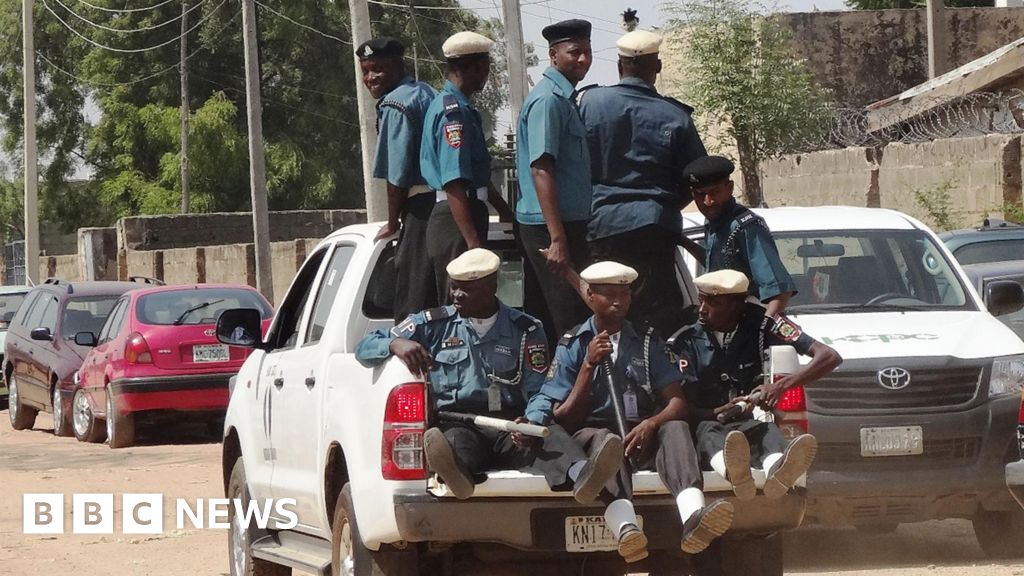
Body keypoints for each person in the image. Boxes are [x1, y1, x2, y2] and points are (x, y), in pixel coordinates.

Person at [356, 248, 622, 503]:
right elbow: (364, 347)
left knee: (549, 437)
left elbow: (541, 388)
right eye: (453, 286)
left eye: (466, 289)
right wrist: (395, 344)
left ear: (492, 286)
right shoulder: (432, 325)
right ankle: (455, 475)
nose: (456, 295)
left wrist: (532, 421)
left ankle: (583, 477)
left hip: (511, 424)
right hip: (460, 422)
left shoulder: (526, 329)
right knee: (455, 445)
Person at [525, 261, 734, 563]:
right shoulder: (572, 344)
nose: (618, 301)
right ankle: (626, 529)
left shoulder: (648, 341)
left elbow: (676, 402)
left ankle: (694, 518)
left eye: (624, 294)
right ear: (590, 297)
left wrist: (651, 423)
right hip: (594, 434)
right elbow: (565, 417)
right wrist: (588, 365)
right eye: (608, 295)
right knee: (605, 441)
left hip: (639, 431)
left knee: (675, 427)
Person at [577, 29, 707, 338]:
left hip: (603, 226)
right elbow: (698, 175)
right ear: (657, 68)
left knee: (605, 312)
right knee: (656, 318)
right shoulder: (676, 115)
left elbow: (571, 164)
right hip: (655, 228)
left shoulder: (590, 102)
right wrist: (661, 206)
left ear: (620, 66)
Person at [669, 269, 841, 500]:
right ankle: (735, 474)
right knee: (709, 434)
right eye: (701, 300)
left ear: (736, 305)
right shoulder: (686, 339)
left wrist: (780, 386)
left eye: (713, 302)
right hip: (706, 423)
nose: (702, 309)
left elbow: (829, 357)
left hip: (747, 421)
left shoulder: (763, 324)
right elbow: (679, 405)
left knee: (767, 431)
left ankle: (778, 473)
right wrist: (715, 412)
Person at [420, 31, 514, 303]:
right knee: (462, 305)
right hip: (456, 218)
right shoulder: (454, 114)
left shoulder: (459, 107)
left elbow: (478, 177)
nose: (486, 76)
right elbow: (454, 182)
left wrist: (506, 212)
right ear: (471, 67)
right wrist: (473, 243)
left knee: (474, 305)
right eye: (484, 69)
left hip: (465, 212)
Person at [515, 19, 594, 344]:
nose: (583, 59)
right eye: (574, 52)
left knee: (555, 321)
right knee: (570, 322)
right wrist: (558, 238)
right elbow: (541, 169)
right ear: (553, 55)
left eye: (587, 52)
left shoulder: (564, 98)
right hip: (552, 229)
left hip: (565, 226)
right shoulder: (548, 100)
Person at [357, 37, 440, 322]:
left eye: (378, 69)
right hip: (446, 204)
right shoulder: (427, 91)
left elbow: (398, 176)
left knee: (412, 303)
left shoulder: (395, 104)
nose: (371, 78)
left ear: (396, 66)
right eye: (366, 71)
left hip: (421, 208)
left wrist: (393, 223)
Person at [684, 155, 797, 317]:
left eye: (714, 192)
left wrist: (760, 329)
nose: (708, 201)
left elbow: (779, 292)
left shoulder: (745, 227)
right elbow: (720, 265)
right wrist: (683, 242)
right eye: (700, 195)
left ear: (729, 188)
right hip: (722, 322)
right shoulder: (713, 222)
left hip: (746, 322)